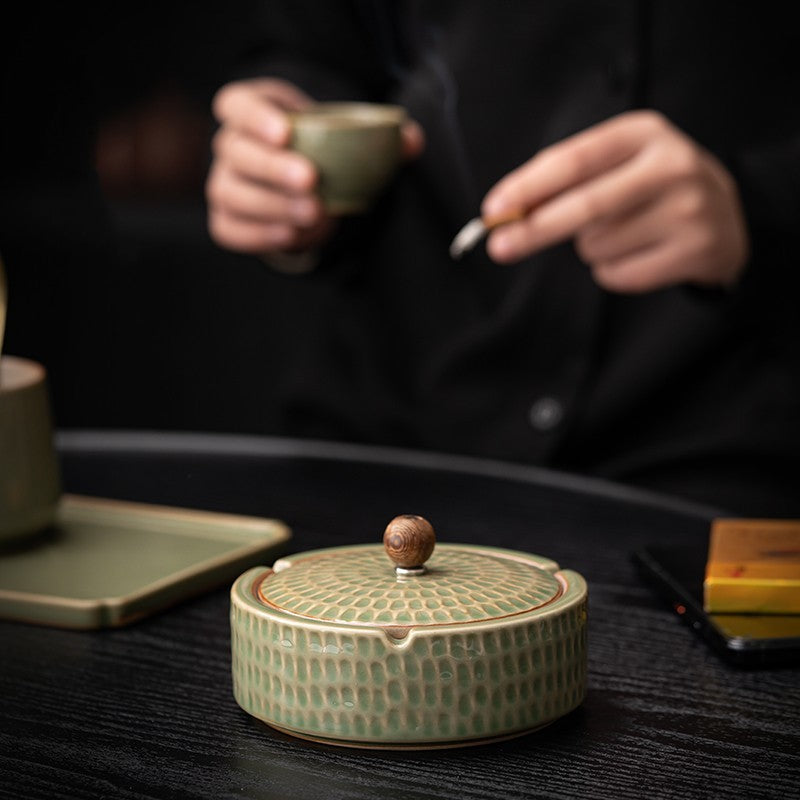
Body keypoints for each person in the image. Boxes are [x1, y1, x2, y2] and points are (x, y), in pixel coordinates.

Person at [204, 1, 800, 516]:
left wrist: (755, 212)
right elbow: (314, 49)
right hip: (393, 429)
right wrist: (282, 157)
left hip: (714, 448)